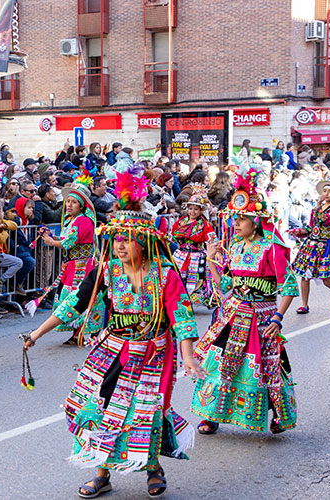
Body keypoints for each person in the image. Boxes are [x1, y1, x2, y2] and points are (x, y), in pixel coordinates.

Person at [23, 171, 203, 498]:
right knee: (101, 407)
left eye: (126, 238)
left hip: (153, 352)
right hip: (113, 350)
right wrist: (37, 333)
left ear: (144, 240)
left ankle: (153, 468)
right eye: (115, 237)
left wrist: (189, 356)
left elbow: (182, 316)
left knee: (145, 412)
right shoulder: (107, 270)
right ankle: (102, 473)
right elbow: (74, 304)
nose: (118, 244)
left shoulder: (164, 274)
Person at [193, 157, 299, 435]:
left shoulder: (271, 249)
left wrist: (278, 316)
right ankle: (211, 414)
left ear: (256, 222)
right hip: (233, 313)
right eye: (235, 219)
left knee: (268, 365)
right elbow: (225, 284)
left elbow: (288, 286)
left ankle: (278, 414)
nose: (236, 224)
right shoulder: (236, 247)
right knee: (219, 361)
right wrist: (213, 260)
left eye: (241, 220)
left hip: (262, 316)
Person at [27, 174, 105, 344]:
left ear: (81, 205)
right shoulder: (73, 220)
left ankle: (83, 332)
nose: (69, 205)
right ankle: (79, 332)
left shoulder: (83, 220)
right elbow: (66, 238)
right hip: (73, 264)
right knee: (73, 295)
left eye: (73, 202)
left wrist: (50, 242)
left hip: (82, 265)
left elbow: (69, 242)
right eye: (68, 201)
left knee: (79, 295)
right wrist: (51, 236)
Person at [290, 179, 330, 314]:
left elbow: (324, 220)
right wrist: (298, 231)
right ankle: (304, 304)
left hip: (327, 246)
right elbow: (311, 227)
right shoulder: (317, 209)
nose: (326, 194)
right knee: (305, 275)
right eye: (324, 191)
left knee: (327, 280)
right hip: (312, 245)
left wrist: (317, 205)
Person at [171, 183, 215, 307]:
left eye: (196, 209)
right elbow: (172, 235)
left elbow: (212, 238)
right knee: (178, 277)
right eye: (190, 208)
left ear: (201, 210)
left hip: (196, 256)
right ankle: (178, 299)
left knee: (195, 279)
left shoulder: (204, 225)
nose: (192, 211)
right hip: (181, 254)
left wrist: (214, 251)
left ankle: (192, 301)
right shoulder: (181, 222)